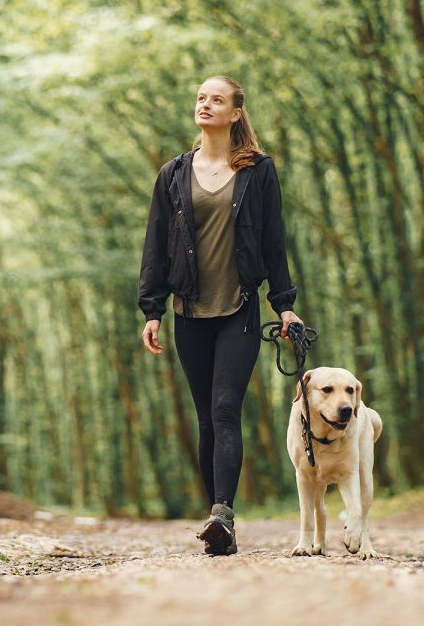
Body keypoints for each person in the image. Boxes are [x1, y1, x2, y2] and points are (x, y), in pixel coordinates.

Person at [138, 75, 303, 556]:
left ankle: (222, 515)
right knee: (206, 420)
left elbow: (274, 240)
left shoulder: (258, 171)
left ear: (236, 113)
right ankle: (218, 520)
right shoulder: (172, 174)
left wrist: (285, 303)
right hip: (188, 309)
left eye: (216, 99)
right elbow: (155, 243)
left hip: (241, 309)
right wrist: (152, 309)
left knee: (226, 408)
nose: (205, 104)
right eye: (200, 98)